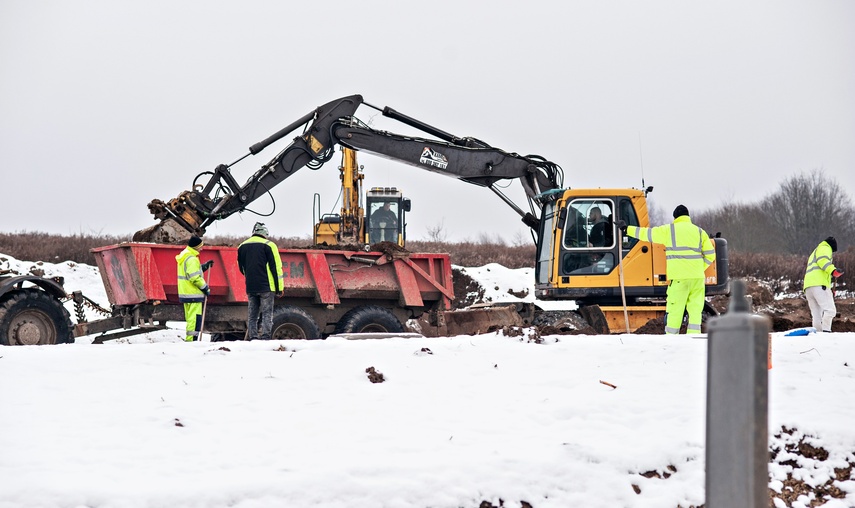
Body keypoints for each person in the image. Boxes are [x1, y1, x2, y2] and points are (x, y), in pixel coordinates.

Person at [618, 204, 715, 335]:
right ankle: (693, 339)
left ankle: (671, 339)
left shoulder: (670, 230)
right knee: (695, 311)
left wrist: (626, 229)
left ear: (675, 217)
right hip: (697, 278)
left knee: (675, 310)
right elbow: (710, 255)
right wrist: (698, 268)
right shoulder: (699, 232)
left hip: (679, 279)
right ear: (688, 217)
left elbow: (648, 234)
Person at [237, 222, 284, 340]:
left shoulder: (242, 246)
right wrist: (279, 288)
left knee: (252, 315)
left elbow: (241, 267)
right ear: (264, 233)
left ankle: (253, 338)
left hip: (251, 286)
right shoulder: (269, 245)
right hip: (266, 287)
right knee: (267, 314)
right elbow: (276, 268)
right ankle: (265, 337)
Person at [176, 236, 213, 342]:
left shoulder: (185, 255)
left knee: (190, 319)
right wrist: (205, 287)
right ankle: (191, 341)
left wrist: (204, 267)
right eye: (200, 247)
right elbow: (194, 277)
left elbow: (192, 271)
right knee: (195, 320)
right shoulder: (192, 258)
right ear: (196, 247)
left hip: (186, 293)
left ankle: (190, 339)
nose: (201, 249)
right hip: (193, 294)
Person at [803, 236, 843, 332]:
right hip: (819, 286)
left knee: (817, 315)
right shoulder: (825, 248)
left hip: (809, 287)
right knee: (830, 311)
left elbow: (818, 271)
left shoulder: (815, 251)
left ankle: (818, 338)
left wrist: (829, 289)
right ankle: (826, 333)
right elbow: (823, 261)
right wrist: (833, 271)